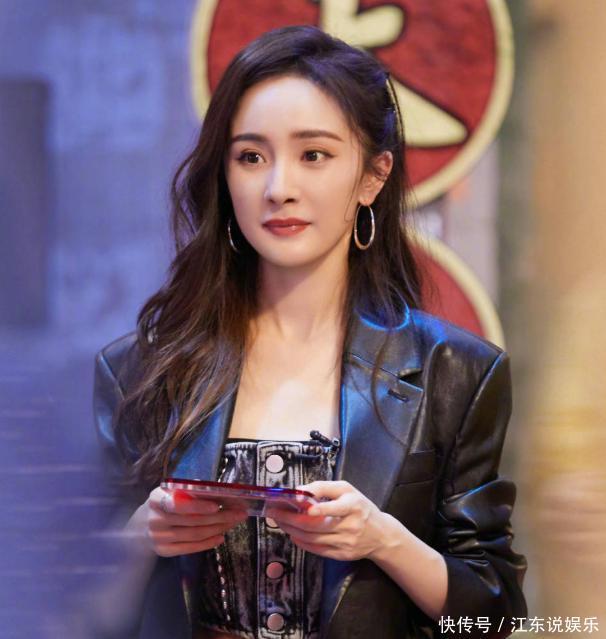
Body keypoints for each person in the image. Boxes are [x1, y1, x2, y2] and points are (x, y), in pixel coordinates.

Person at [92, 24, 527, 639]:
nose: (279, 189)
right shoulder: (138, 372)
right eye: (250, 157)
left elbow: (493, 619)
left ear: (373, 176)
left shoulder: (455, 372)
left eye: (314, 155)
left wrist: (383, 539)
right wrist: (141, 538)